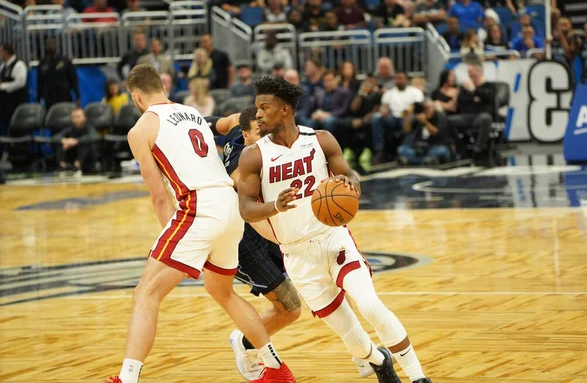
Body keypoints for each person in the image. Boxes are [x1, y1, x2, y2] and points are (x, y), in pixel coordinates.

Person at [106, 64, 295, 383]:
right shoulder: (191, 112)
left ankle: (127, 378)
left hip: (198, 206)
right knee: (221, 291)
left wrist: (175, 250)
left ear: (136, 97)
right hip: (229, 205)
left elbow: (160, 197)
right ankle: (276, 368)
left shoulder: (140, 129)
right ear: (163, 88)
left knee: (146, 293)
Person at [237, 76, 433, 383]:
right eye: (257, 107)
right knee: (354, 340)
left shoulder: (321, 139)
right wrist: (275, 206)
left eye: (265, 107)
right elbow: (246, 209)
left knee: (370, 306)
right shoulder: (253, 155)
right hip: (297, 254)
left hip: (333, 238)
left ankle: (419, 378)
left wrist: (350, 184)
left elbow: (350, 177)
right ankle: (381, 361)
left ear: (285, 110)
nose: (257, 114)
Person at [206, 106, 303, 381]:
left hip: (264, 227)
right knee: (291, 308)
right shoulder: (241, 170)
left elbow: (225, 122)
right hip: (242, 239)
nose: (269, 135)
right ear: (247, 137)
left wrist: (195, 124)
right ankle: (246, 342)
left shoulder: (240, 124)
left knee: (303, 293)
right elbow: (250, 204)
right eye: (262, 133)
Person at [371, 71, 424, 163]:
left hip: (408, 116)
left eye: (401, 78)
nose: (399, 81)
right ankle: (379, 150)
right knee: (376, 117)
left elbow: (417, 106)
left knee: (412, 119)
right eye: (397, 78)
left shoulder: (415, 92)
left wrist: (408, 112)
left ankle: (405, 150)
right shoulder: (389, 93)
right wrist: (384, 111)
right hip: (393, 117)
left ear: (406, 80)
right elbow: (385, 106)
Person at [451, 58, 495, 156]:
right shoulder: (464, 86)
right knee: (447, 120)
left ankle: (478, 148)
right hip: (466, 116)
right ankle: (460, 146)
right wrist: (475, 98)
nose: (470, 75)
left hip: (480, 115)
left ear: (479, 71)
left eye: (471, 72)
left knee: (486, 119)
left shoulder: (489, 86)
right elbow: (461, 101)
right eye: (468, 72)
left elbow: (489, 99)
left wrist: (474, 90)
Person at [397, 100, 452, 165]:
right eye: (424, 109)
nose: (426, 111)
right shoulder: (419, 117)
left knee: (443, 151)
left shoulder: (440, 116)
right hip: (419, 148)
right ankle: (426, 161)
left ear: (433, 108)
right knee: (402, 149)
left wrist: (425, 122)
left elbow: (436, 132)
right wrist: (409, 114)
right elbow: (407, 130)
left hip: (435, 146)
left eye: (428, 108)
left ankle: (413, 161)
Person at [37, 37, 80, 109]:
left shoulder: (65, 61)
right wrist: (38, 100)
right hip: (49, 97)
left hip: (64, 96)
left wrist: (78, 97)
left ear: (56, 46)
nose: (50, 46)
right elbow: (39, 83)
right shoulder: (43, 63)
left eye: (52, 44)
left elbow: (74, 80)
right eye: (48, 44)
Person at [54, 107, 98, 178]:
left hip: (88, 157)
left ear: (84, 118)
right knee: (61, 143)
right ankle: (62, 166)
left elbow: (93, 137)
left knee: (85, 142)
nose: (76, 119)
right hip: (73, 154)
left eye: (78, 117)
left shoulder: (89, 127)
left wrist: (76, 141)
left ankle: (77, 166)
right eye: (74, 117)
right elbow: (55, 137)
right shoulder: (70, 129)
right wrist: (65, 141)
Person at [308, 70, 352, 135]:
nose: (328, 83)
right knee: (309, 122)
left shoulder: (343, 92)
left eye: (330, 80)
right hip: (321, 116)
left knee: (328, 122)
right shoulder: (320, 93)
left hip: (337, 117)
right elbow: (314, 107)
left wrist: (328, 114)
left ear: (336, 80)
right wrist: (314, 114)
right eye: (325, 81)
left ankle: (329, 144)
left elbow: (344, 110)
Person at [0, 43, 28, 141]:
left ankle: (20, 152)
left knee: (18, 128)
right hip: (5, 105)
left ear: (6, 52)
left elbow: (20, 83)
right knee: (7, 128)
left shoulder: (19, 65)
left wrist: (3, 85)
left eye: (1, 51)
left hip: (17, 104)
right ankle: (10, 151)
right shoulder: (3, 66)